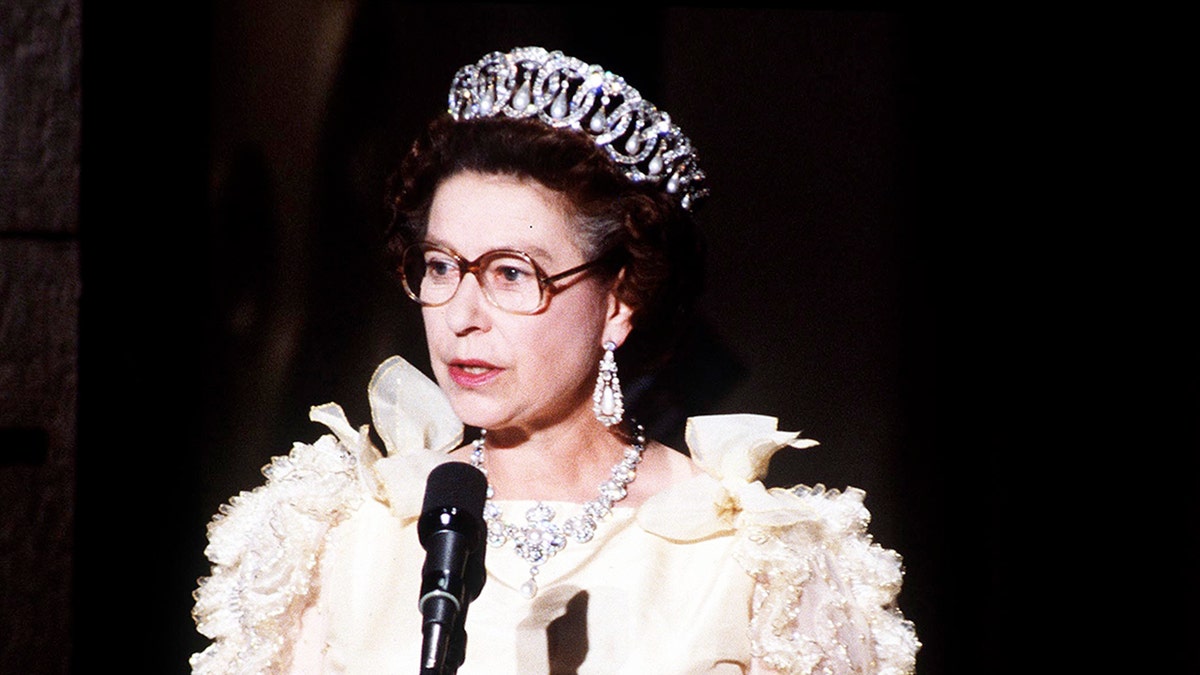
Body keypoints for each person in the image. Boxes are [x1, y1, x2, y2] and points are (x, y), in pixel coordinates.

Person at [191, 46, 919, 674]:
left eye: (512, 273)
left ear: (619, 300)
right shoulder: (333, 538)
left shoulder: (757, 562)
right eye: (441, 266)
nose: (462, 316)